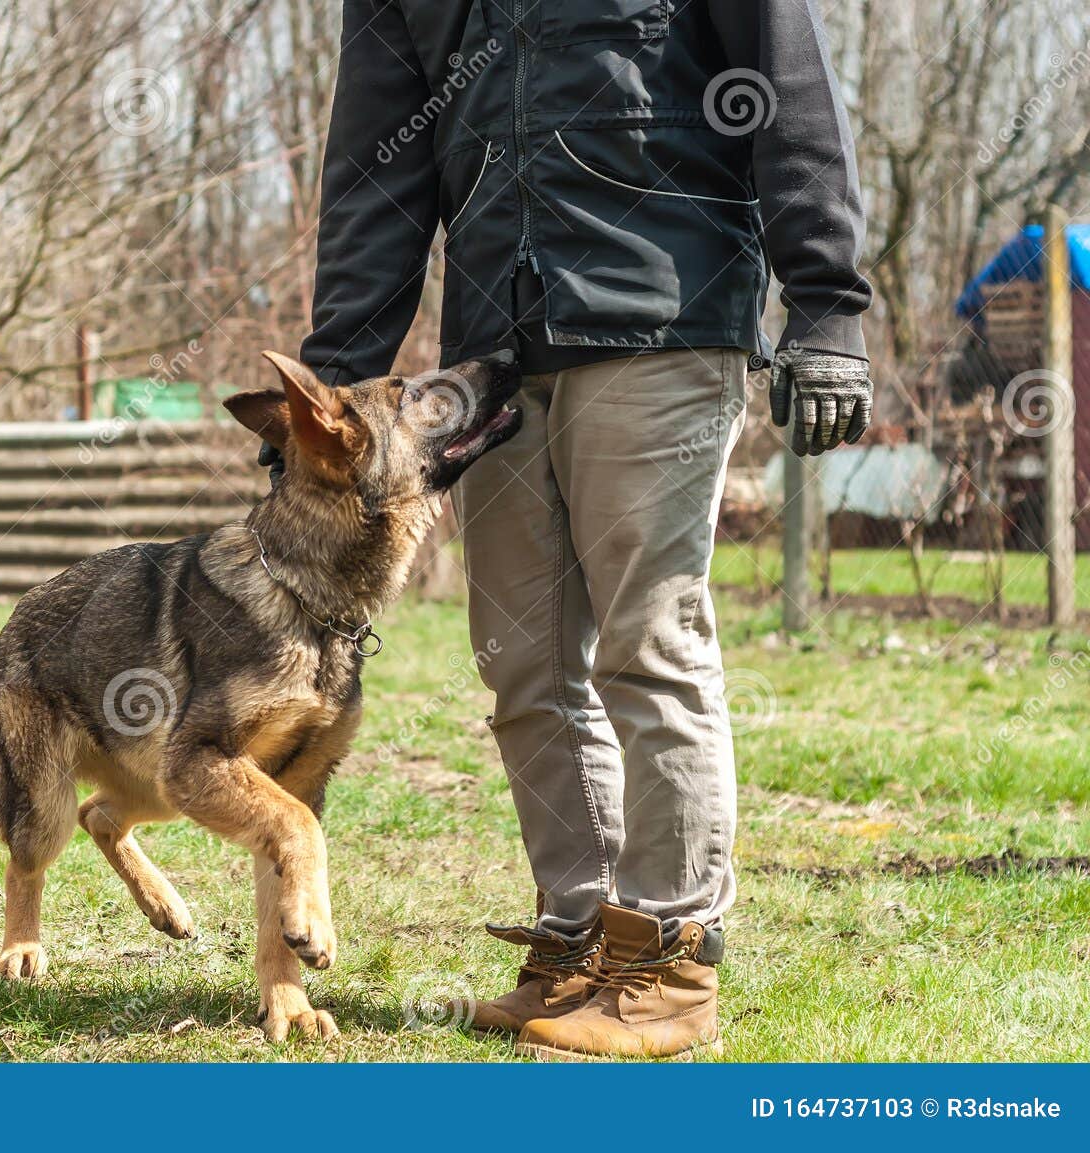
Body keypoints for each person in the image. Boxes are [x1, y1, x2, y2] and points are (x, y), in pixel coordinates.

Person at [284, 0, 873, 1059]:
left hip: (662, 313)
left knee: (649, 641)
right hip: (496, 351)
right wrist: (326, 399)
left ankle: (669, 960)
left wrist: (826, 305)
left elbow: (787, 88)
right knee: (521, 659)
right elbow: (377, 172)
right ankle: (579, 939)